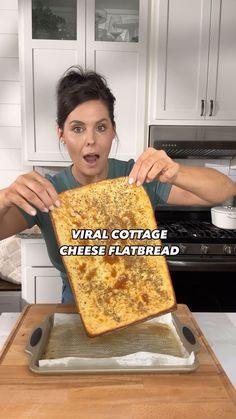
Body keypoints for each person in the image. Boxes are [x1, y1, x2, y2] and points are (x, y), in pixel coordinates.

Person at [0, 66, 235, 303]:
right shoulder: (47, 193)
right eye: (77, 129)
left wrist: (176, 171)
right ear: (61, 134)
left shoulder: (138, 178)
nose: (90, 140)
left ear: (113, 131)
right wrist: (5, 197)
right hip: (79, 303)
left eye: (101, 127)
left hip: (136, 298)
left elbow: (225, 190)